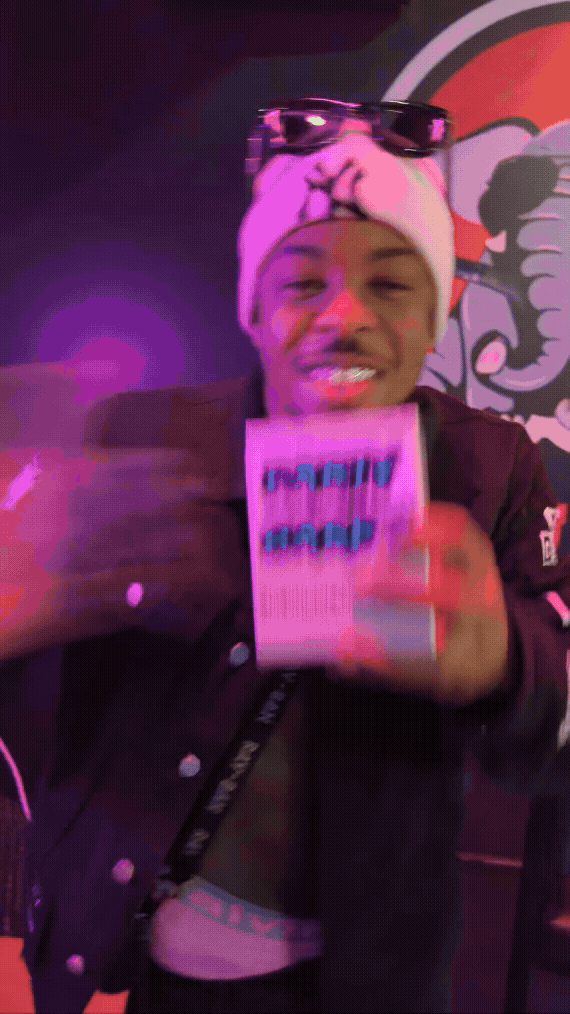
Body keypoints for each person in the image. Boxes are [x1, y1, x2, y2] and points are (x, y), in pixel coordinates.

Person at [1, 98, 570, 1014]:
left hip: (378, 973)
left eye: (391, 286)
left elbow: (558, 720)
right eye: (303, 285)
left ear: (436, 317)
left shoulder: (491, 468)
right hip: (159, 963)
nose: (344, 318)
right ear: (255, 311)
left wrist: (506, 661)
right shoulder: (148, 440)